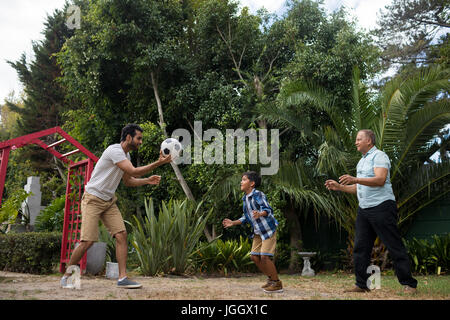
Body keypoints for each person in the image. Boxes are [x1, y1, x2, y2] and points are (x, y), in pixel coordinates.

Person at [61, 124, 172, 289]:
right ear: (128, 137)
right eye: (138, 138)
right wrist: (158, 163)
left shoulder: (126, 157)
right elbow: (133, 171)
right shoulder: (114, 151)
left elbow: (128, 181)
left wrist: (147, 180)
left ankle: (122, 278)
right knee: (87, 241)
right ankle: (67, 277)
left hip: (108, 201)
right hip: (93, 198)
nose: (140, 142)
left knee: (121, 235)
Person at [325, 129, 418, 293]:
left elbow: (380, 180)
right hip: (364, 209)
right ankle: (361, 284)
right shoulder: (361, 162)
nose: (356, 142)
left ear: (369, 141)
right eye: (356, 139)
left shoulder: (379, 156)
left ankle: (409, 284)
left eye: (359, 139)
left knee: (393, 245)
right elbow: (359, 187)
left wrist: (355, 179)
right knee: (360, 247)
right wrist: (340, 187)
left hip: (382, 207)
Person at [222, 171, 282, 293]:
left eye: (244, 179)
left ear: (252, 183)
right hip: (258, 232)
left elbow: (268, 210)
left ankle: (277, 283)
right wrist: (233, 222)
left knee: (264, 257)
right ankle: (271, 279)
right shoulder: (245, 198)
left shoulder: (258, 194)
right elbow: (246, 217)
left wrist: (260, 213)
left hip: (268, 230)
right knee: (254, 257)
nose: (241, 182)